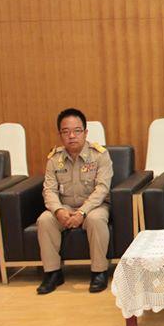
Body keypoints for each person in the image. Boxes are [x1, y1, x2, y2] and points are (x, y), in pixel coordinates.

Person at [36, 108, 113, 295]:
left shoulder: (100, 155)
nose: (71, 136)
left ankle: (99, 272)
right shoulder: (54, 159)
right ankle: (53, 273)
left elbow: (102, 189)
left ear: (85, 133)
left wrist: (82, 212)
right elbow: (49, 190)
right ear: (60, 134)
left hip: (94, 207)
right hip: (65, 207)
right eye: (66, 131)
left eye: (77, 131)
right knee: (45, 220)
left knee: (96, 220)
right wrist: (58, 211)